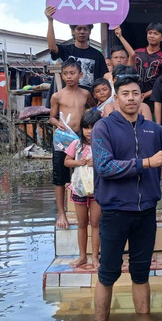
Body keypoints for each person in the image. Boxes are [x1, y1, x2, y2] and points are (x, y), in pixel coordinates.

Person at [91, 75, 162, 321]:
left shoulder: (153, 129)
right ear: (116, 98)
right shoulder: (103, 127)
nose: (131, 98)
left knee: (141, 272)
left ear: (142, 97)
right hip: (115, 211)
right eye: (125, 93)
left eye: (135, 93)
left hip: (146, 211)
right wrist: (146, 163)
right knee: (107, 273)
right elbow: (105, 167)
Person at [49, 58, 94, 229]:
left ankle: (86, 206)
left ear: (80, 75)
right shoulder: (57, 96)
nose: (69, 77)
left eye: (72, 73)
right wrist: (57, 123)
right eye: (66, 73)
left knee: (83, 168)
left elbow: (93, 110)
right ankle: (61, 213)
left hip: (81, 138)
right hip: (63, 137)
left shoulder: (85, 94)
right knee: (59, 174)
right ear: (62, 75)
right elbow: (51, 117)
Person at [64, 110, 102, 268]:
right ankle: (82, 256)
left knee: (95, 223)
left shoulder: (103, 143)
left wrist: (97, 162)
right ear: (82, 128)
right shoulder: (76, 144)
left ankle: (95, 257)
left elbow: (111, 161)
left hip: (98, 188)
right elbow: (66, 162)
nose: (89, 131)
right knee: (81, 223)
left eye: (93, 127)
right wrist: (78, 162)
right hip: (79, 188)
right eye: (86, 127)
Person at [44, 6, 108, 97]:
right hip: (69, 100)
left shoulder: (97, 55)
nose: (82, 32)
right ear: (73, 31)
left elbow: (104, 77)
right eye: (78, 29)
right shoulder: (66, 50)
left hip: (90, 101)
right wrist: (50, 21)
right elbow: (51, 46)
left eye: (85, 29)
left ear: (89, 32)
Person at [134, 23, 162, 111]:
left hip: (154, 100)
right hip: (134, 97)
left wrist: (145, 95)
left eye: (156, 34)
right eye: (150, 33)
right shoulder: (136, 53)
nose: (152, 36)